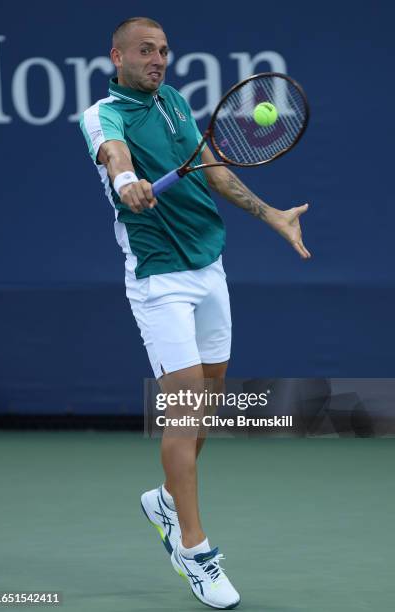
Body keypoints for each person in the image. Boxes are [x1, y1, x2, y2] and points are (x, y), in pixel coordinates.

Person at [80, 16, 311, 610]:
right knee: (183, 409)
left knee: (209, 402)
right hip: (160, 280)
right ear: (117, 56)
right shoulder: (103, 113)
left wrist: (272, 216)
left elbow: (213, 168)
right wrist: (128, 180)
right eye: (145, 51)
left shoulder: (178, 103)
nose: (158, 60)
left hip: (210, 268)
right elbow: (113, 153)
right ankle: (193, 548)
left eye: (163, 51)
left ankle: (163, 499)